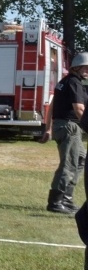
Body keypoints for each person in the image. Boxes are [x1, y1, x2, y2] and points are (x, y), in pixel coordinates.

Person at [39, 52, 88, 214]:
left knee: (80, 159)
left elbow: (52, 106)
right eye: (86, 68)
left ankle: (66, 198)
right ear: (77, 67)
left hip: (64, 126)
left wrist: (48, 128)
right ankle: (55, 202)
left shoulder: (64, 82)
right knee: (68, 164)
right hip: (70, 127)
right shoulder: (74, 83)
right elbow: (79, 108)